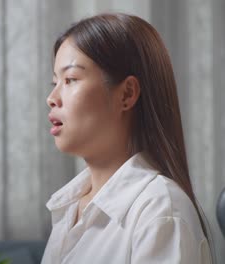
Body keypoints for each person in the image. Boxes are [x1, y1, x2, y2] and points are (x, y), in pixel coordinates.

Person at [42, 13, 213, 264]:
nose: (52, 97)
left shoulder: (160, 212)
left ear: (127, 94)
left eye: (70, 80)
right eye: (54, 82)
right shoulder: (69, 207)